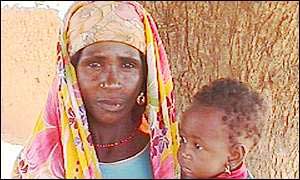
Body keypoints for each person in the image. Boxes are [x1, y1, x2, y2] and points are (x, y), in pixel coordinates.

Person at [12, 1, 179, 179]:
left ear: (146, 77)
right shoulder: (38, 161)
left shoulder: (180, 159)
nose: (112, 81)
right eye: (95, 64)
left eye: (128, 65)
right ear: (70, 75)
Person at [177, 78, 270, 179]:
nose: (184, 152)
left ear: (234, 155)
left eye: (198, 146)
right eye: (183, 140)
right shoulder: (200, 172)